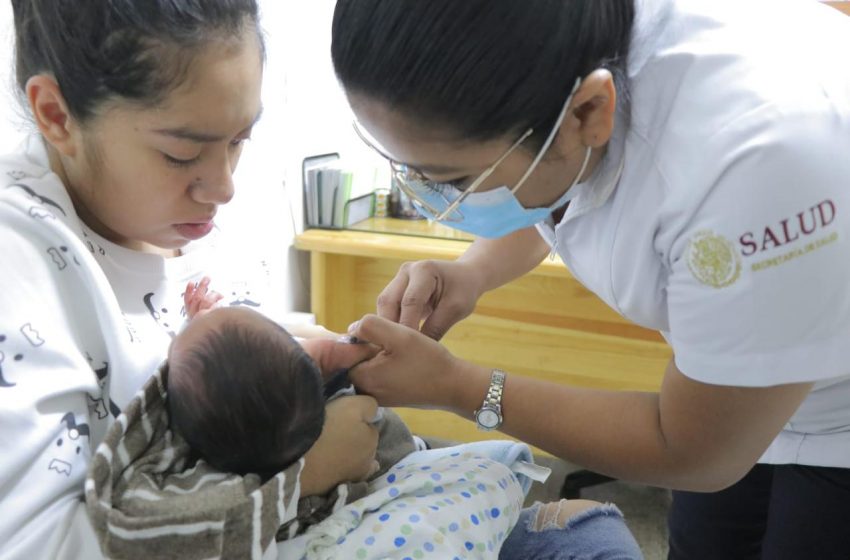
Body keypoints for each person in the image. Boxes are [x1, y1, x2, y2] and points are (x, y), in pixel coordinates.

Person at [331, 0, 850, 558]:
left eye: (456, 179)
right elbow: (561, 182)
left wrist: (459, 387)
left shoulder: (756, 164)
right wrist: (470, 272)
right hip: (737, 372)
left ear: (587, 113)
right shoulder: (563, 59)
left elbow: (694, 450)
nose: (429, 195)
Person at [0, 2, 380, 558]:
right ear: (57, 116)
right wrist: (310, 469)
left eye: (239, 140)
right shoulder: (21, 267)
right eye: (182, 154)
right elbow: (42, 546)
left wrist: (310, 355)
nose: (224, 187)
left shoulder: (180, 214)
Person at [169, 277, 415, 481]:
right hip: (391, 456)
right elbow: (354, 350)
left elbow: (216, 360)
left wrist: (198, 322)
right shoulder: (302, 364)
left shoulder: (248, 435)